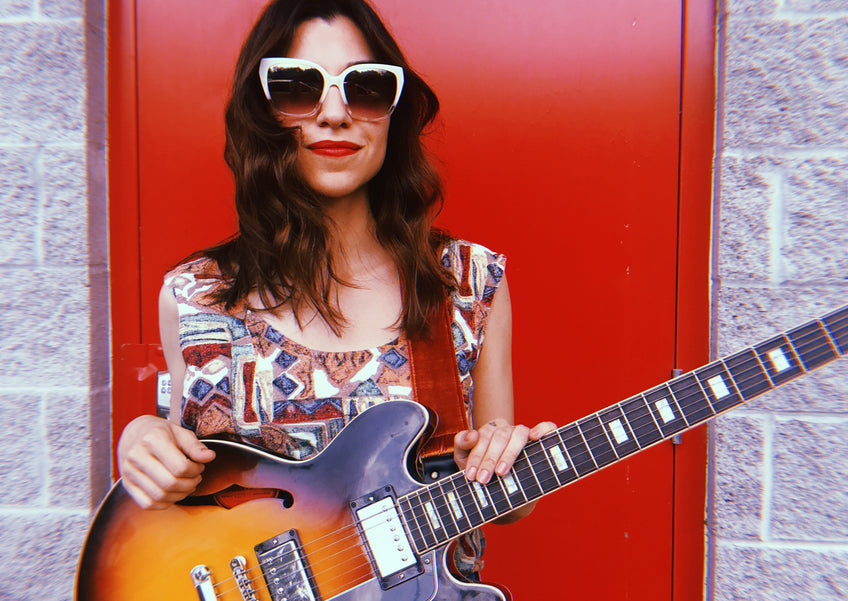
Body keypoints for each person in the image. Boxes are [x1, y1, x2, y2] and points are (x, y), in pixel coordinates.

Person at [115, 0, 554, 583]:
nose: (335, 113)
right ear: (262, 110)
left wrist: (522, 464)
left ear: (393, 113)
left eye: (365, 87)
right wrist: (142, 439)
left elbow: (502, 500)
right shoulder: (195, 296)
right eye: (298, 86)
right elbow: (181, 477)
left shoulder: (469, 284)